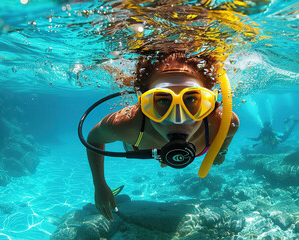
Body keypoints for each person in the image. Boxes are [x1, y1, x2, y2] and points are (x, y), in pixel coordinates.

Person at [84, 52, 239, 220]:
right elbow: (94, 139)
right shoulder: (128, 125)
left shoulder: (223, 123)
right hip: (139, 141)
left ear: (209, 101)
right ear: (143, 102)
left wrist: (221, 152)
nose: (178, 118)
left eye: (192, 99)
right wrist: (99, 185)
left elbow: (228, 135)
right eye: (164, 100)